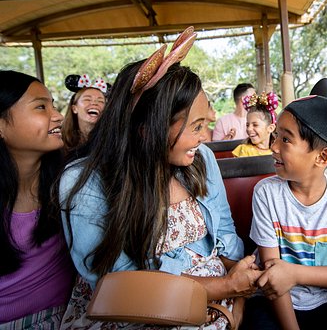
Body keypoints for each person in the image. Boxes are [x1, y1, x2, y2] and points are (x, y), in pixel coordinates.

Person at [56, 27, 262, 329]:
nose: (205, 137)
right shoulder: (85, 183)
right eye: (196, 126)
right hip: (133, 309)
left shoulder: (201, 160)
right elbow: (120, 283)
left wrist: (239, 285)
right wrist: (226, 288)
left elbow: (225, 234)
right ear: (148, 130)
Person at [244, 87, 327, 330]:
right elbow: (273, 275)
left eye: (285, 139)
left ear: (322, 157)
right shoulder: (266, 193)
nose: (273, 146)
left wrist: (295, 274)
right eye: (275, 136)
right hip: (272, 302)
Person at [0, 70, 75, 328]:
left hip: (70, 312)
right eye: (41, 107)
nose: (57, 115)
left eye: (53, 105)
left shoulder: (69, 181)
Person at [62, 74, 110, 154]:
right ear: (74, 108)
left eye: (101, 101)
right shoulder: (59, 142)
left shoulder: (114, 141)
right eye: (87, 99)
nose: (94, 103)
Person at [232, 92, 278, 157]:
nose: (249, 129)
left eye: (255, 125)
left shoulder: (278, 151)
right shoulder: (244, 150)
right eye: (247, 125)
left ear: (270, 128)